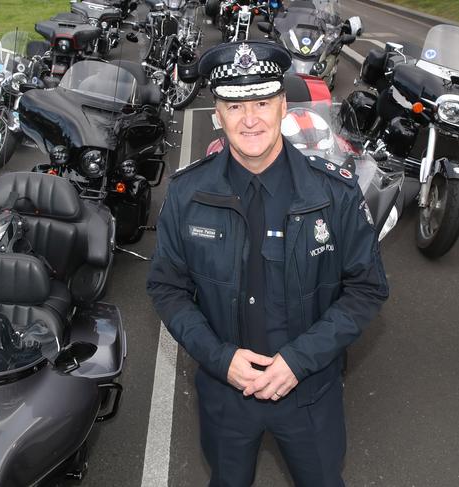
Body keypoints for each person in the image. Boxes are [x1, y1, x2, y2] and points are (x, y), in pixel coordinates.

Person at [146, 40, 388, 487]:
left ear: (282, 105)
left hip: (309, 393)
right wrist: (221, 360)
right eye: (235, 106)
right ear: (217, 113)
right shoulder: (186, 194)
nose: (250, 119)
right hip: (225, 395)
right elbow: (167, 289)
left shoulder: (333, 193)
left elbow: (366, 289)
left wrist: (298, 361)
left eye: (261, 102)